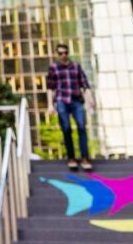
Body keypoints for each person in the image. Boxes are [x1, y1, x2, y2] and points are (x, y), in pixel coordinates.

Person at [46, 42, 94, 172]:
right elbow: (50, 88)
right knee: (66, 128)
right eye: (61, 53)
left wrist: (91, 99)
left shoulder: (76, 66)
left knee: (81, 127)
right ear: (58, 54)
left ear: (68, 53)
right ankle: (71, 158)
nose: (63, 55)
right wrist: (50, 105)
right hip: (61, 101)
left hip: (76, 100)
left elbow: (85, 84)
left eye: (65, 53)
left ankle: (85, 158)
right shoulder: (54, 68)